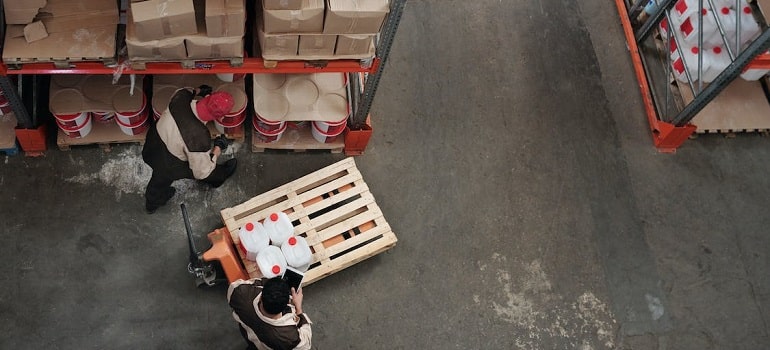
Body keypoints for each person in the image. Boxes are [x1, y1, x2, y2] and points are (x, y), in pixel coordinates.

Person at [141, 85, 237, 214]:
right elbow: (201, 172)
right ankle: (218, 179)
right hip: (169, 164)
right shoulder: (198, 137)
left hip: (152, 145)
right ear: (220, 119)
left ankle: (151, 204)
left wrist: (199, 90)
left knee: (158, 180)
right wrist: (218, 147)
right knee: (209, 170)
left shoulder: (180, 98)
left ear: (207, 98)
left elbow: (187, 91)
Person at [228, 277, 312, 350]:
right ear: (288, 303)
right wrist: (298, 308)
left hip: (249, 337)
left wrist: (268, 284)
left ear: (261, 297)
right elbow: (305, 345)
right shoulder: (289, 336)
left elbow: (236, 285)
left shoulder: (240, 293)